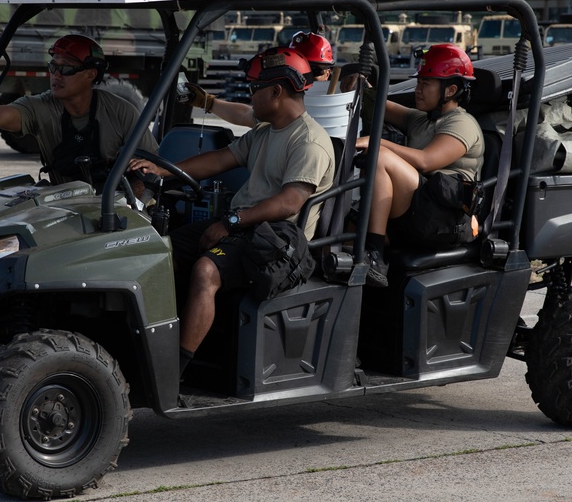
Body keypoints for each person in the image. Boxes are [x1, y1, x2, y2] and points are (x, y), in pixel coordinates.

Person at [130, 46, 335, 376]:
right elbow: (218, 160)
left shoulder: (308, 141)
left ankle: (173, 372)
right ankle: (149, 345)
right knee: (159, 253)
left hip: (278, 237)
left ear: (276, 91)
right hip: (246, 224)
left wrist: (231, 221)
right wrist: (162, 170)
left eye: (254, 90)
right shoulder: (265, 133)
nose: (250, 97)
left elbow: (289, 203)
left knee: (206, 271)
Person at [0, 34, 158, 185]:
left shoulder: (121, 112)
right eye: (53, 66)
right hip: (63, 205)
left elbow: (152, 169)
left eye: (65, 68)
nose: (56, 74)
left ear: (90, 74)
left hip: (115, 209)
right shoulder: (41, 106)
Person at [354, 43, 484, 288]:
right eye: (418, 83)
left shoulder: (462, 123)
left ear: (450, 90)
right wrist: (359, 86)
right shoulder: (421, 120)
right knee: (340, 233)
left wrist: (375, 142)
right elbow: (377, 104)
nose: (418, 90)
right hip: (421, 213)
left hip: (446, 217)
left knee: (380, 156)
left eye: (426, 84)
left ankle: (375, 255)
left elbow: (426, 161)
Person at [180, 31, 336, 128]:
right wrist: (207, 102)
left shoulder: (341, 111)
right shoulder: (277, 115)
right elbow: (247, 116)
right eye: (298, 68)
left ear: (328, 74)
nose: (303, 77)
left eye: (313, 70)